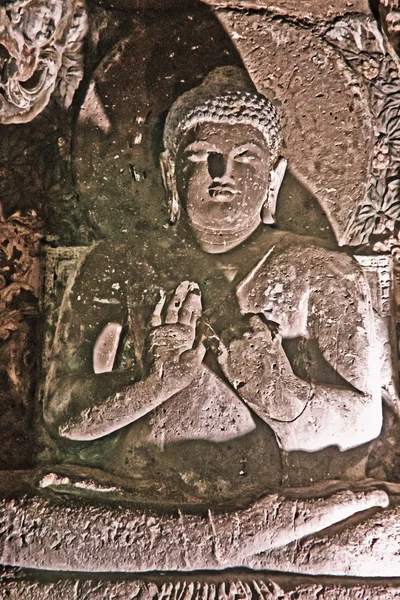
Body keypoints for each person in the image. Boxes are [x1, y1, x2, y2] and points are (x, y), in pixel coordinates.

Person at [43, 67, 384, 502]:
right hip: (138, 500)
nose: (222, 172)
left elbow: (364, 423)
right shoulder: (118, 262)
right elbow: (61, 415)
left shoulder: (323, 271)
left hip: (273, 505)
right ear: (169, 173)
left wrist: (280, 393)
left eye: (246, 158)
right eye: (201, 155)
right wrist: (156, 382)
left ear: (273, 178)